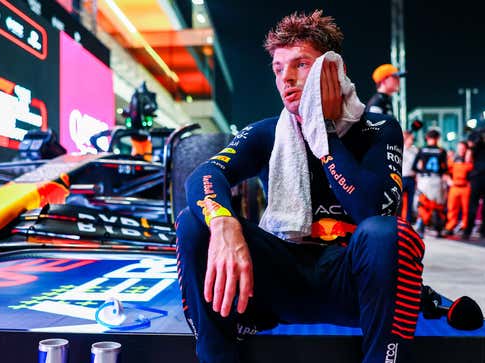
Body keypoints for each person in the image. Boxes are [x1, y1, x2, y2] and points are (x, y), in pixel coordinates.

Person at [175, 10, 423, 363]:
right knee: (193, 222)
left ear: (331, 70)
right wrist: (222, 222)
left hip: (352, 282)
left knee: (387, 233)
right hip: (281, 277)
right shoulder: (266, 131)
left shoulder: (379, 128)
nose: (286, 79)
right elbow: (204, 173)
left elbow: (372, 210)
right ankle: (217, 357)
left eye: (301, 64)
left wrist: (324, 132)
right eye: (278, 68)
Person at [412, 129, 448, 237]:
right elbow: (444, 168)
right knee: (438, 205)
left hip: (425, 180)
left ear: (427, 138)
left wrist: (422, 172)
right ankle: (439, 229)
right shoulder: (441, 151)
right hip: (437, 179)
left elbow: (414, 166)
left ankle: (421, 228)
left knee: (423, 204)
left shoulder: (422, 150)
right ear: (437, 138)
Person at [442, 141, 473, 236]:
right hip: (454, 187)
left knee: (466, 210)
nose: (461, 150)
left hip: (466, 187)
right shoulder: (452, 159)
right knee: (452, 208)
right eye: (460, 148)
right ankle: (450, 227)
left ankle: (464, 228)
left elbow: (474, 172)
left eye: (463, 148)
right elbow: (446, 172)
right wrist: (449, 180)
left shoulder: (470, 160)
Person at [462, 127, 485, 239]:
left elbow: (467, 158)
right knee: (472, 206)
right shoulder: (477, 145)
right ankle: (468, 230)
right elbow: (467, 159)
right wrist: (472, 145)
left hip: (478, 177)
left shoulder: (477, 144)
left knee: (473, 206)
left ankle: (474, 231)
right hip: (477, 177)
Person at [400, 130, 418, 223]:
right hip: (402, 177)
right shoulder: (400, 148)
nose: (412, 140)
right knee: (399, 201)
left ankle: (408, 220)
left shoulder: (415, 150)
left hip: (411, 178)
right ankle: (398, 219)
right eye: (410, 138)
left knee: (410, 201)